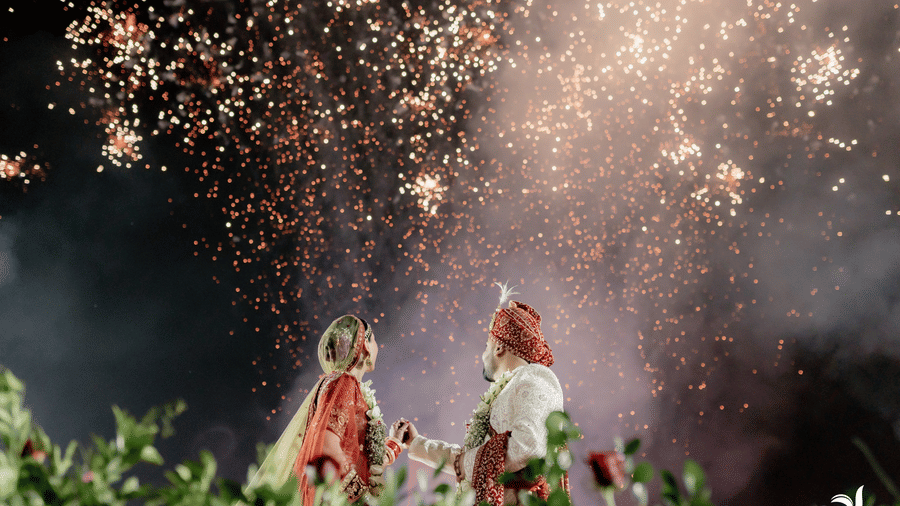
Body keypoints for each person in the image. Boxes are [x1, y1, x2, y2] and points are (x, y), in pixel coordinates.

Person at [396, 284, 568, 506]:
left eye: (486, 346)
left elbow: (527, 444)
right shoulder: (513, 386)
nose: (483, 355)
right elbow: (472, 459)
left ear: (498, 347)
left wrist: (468, 461)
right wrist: (417, 444)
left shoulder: (534, 380)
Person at [248, 315, 406, 504]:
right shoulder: (344, 383)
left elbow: (365, 459)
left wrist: (396, 442)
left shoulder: (347, 387)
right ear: (364, 344)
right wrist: (361, 498)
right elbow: (327, 448)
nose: (377, 346)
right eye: (374, 340)